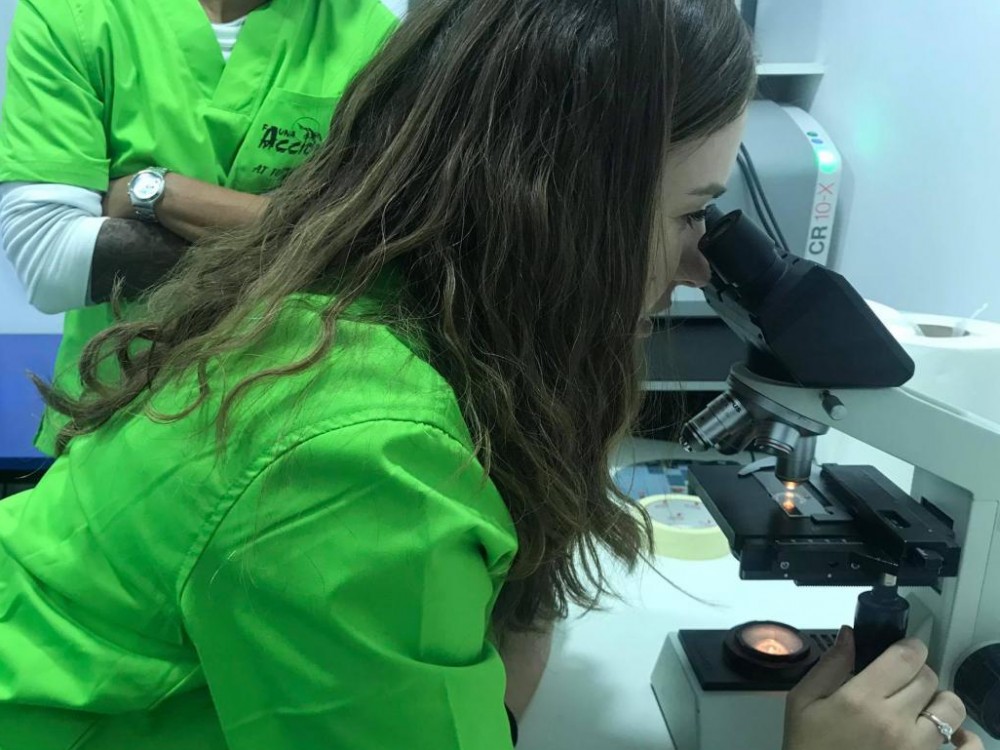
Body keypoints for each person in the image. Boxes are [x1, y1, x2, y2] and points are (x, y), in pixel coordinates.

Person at [0, 1, 982, 749]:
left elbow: (494, 674)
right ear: (567, 215)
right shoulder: (359, 458)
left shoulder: (354, 319)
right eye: (692, 211)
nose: (699, 265)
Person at [0, 0, 406, 455]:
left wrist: (156, 192)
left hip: (307, 418)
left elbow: (384, 251)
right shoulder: (74, 14)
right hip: (121, 417)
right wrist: (303, 240)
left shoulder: (372, 34)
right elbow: (49, 259)